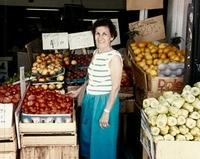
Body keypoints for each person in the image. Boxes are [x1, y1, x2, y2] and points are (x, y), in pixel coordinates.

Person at [68, 18, 123, 159]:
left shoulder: (114, 57)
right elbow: (89, 78)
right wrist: (79, 91)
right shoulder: (95, 53)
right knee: (88, 138)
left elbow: (116, 87)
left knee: (102, 141)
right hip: (90, 99)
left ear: (112, 37)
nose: (100, 37)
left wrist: (106, 112)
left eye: (105, 34)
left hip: (104, 102)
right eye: (97, 33)